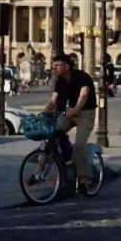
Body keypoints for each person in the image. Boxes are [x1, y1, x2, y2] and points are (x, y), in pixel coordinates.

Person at [42, 54, 97, 190]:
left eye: (57, 65)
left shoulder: (82, 77)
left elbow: (83, 95)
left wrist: (77, 108)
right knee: (52, 135)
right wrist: (43, 114)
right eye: (54, 65)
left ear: (66, 66)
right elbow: (53, 100)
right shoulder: (60, 80)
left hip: (85, 114)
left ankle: (83, 180)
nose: (54, 68)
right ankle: (47, 167)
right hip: (68, 114)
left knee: (79, 146)